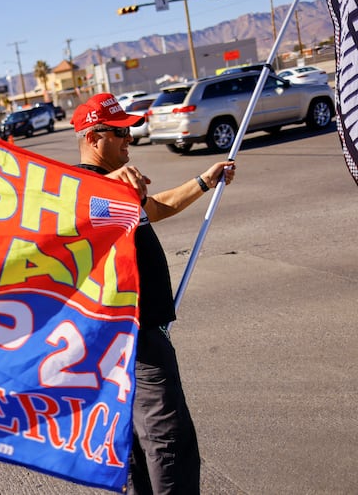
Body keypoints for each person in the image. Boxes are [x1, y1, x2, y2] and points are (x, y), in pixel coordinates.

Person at [70, 93, 235, 494]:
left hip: (145, 328)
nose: (130, 139)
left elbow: (156, 207)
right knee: (168, 439)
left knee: (138, 441)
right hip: (133, 335)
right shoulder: (81, 186)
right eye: (121, 132)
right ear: (95, 137)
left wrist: (204, 181)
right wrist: (111, 182)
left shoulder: (120, 189)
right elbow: (74, 206)